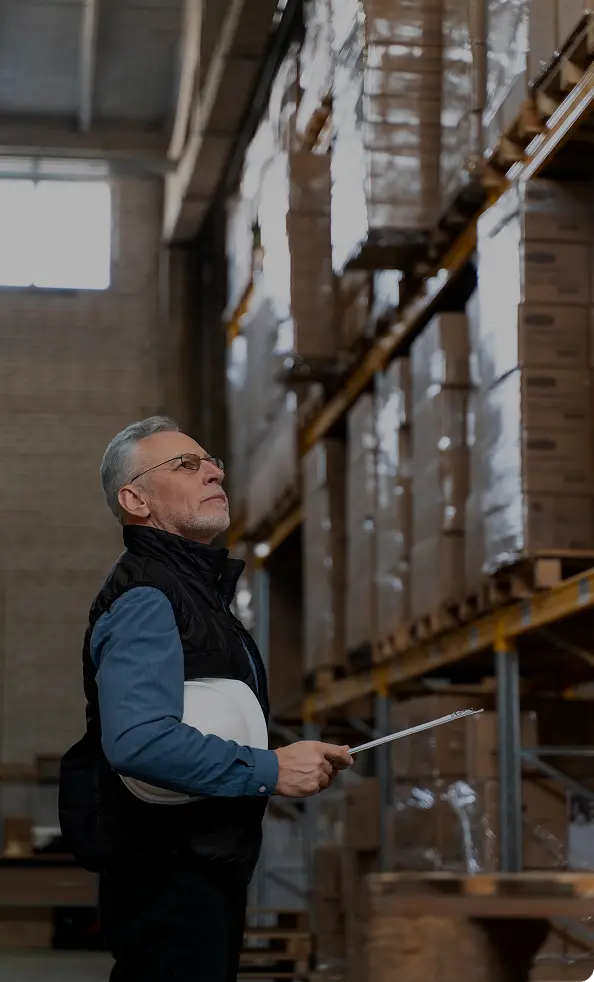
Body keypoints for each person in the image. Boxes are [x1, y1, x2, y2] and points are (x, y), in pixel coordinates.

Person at [59, 416, 353, 982]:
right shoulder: (148, 595)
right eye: (186, 466)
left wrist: (292, 757)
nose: (214, 472)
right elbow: (140, 741)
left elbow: (211, 713)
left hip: (201, 870)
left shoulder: (195, 594)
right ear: (135, 500)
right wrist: (270, 768)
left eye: (212, 462)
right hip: (169, 876)